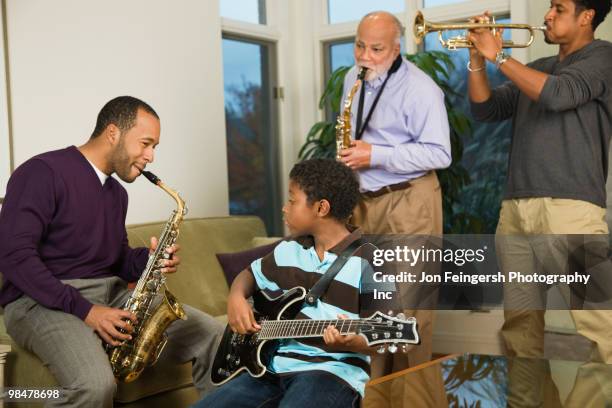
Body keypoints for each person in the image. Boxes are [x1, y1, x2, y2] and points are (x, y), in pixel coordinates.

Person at [0, 96, 223, 407]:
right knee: (94, 386)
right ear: (113, 133)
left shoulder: (116, 193)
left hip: (110, 295)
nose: (151, 156)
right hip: (38, 302)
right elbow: (14, 257)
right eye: (146, 143)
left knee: (211, 332)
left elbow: (115, 260)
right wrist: (87, 311)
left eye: (154, 147)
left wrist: (149, 260)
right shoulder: (41, 172)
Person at [468, 0, 612, 361]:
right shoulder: (538, 67)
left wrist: (499, 56)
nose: (547, 15)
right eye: (549, 7)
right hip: (516, 209)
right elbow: (485, 108)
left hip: (570, 208)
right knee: (520, 327)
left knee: (597, 325)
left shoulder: (603, 58)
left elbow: (558, 94)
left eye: (558, 8)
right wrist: (477, 59)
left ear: (586, 16)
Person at [194, 159, 384, 408]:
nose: (285, 208)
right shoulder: (287, 250)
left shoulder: (371, 261)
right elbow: (248, 275)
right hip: (271, 369)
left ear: (321, 208)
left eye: (292, 200)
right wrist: (236, 298)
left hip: (331, 372)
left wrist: (351, 341)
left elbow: (384, 340)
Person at [339, 10, 452, 377]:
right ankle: (374, 395)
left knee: (409, 311)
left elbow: (440, 153)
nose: (365, 56)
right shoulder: (351, 79)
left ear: (396, 47)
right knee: (370, 305)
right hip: (364, 203)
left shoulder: (421, 89)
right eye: (359, 45)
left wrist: (377, 154)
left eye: (376, 48)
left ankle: (413, 397)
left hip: (410, 201)